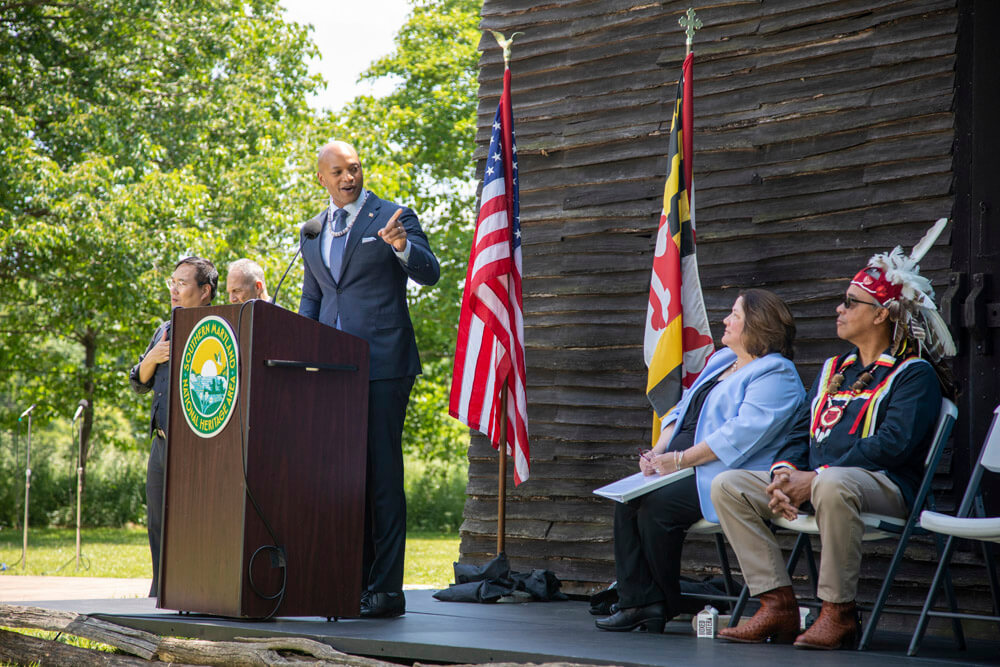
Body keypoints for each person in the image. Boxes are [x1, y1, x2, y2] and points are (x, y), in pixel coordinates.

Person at [712, 225, 957, 650]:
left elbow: (893, 445)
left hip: (885, 486)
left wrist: (817, 474)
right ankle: (776, 604)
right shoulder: (833, 370)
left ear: (881, 313)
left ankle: (837, 612)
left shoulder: (913, 374)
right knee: (728, 485)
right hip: (821, 482)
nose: (838, 309)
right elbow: (797, 430)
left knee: (831, 481)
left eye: (850, 303)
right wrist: (786, 472)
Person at [595, 289, 805, 633]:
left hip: (726, 475)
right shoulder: (722, 360)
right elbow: (681, 410)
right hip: (683, 466)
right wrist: (658, 452)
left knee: (657, 508)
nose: (726, 320)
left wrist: (680, 459)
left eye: (735, 315)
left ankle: (657, 603)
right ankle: (641, 601)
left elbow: (739, 434)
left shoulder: (776, 374)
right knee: (626, 503)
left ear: (758, 325)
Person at [298, 140, 440, 618]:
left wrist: (401, 247)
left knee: (381, 476)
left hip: (383, 365)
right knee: (344, 479)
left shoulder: (393, 215)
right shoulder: (313, 229)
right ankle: (349, 580)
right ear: (321, 178)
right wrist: (304, 357)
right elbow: (314, 300)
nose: (348, 178)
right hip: (334, 374)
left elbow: (430, 272)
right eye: (337, 172)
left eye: (354, 169)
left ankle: (385, 591)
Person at [128, 256, 217, 596]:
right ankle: (160, 591)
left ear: (205, 291)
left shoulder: (219, 328)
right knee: (157, 523)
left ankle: (197, 592)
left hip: (199, 445)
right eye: (173, 282)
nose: (174, 290)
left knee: (193, 524)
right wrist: (150, 359)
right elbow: (139, 382)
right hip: (162, 442)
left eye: (182, 283)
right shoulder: (164, 329)